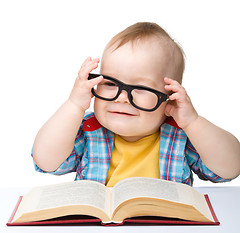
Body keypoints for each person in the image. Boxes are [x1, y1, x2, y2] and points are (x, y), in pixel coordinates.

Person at [32, 22, 240, 187]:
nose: (122, 97)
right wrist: (74, 105)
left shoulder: (181, 134)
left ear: (169, 97)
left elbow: (229, 169)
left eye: (140, 88)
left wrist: (193, 122)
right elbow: (47, 161)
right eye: (110, 83)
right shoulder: (89, 130)